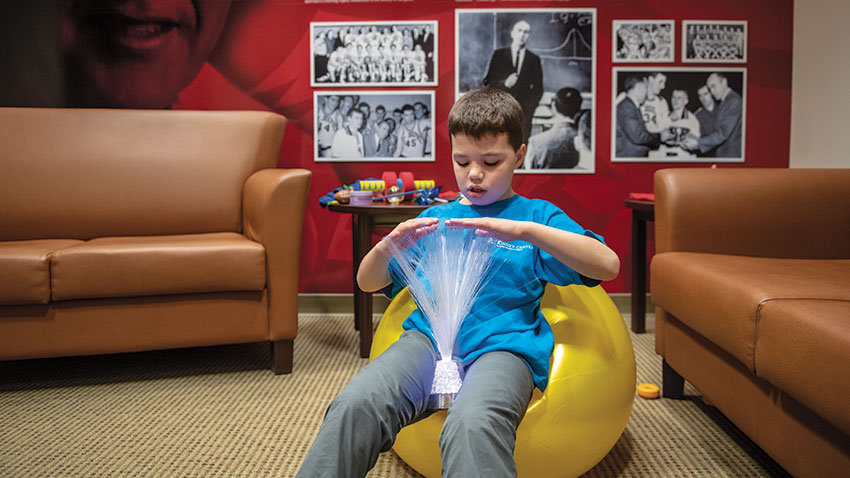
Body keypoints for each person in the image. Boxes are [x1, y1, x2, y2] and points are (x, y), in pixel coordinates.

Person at [297, 87, 619, 477]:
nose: (474, 174)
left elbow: (607, 265)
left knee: (473, 426)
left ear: (519, 155)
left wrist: (526, 231)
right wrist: (388, 247)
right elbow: (368, 282)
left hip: (503, 350)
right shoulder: (437, 218)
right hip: (426, 343)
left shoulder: (536, 216)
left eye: (491, 161)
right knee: (355, 404)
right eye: (461, 160)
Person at [483, 20, 544, 142]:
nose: (522, 35)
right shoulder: (498, 55)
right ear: (512, 33)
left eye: (526, 32)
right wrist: (505, 84)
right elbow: (487, 82)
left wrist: (530, 108)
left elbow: (539, 89)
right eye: (519, 31)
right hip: (500, 112)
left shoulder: (534, 59)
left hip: (524, 115)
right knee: (500, 146)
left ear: (529, 36)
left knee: (521, 146)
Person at [682, 72, 742, 157]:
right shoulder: (725, 102)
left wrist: (698, 143)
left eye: (714, 86)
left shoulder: (733, 102)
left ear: (724, 82)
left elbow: (722, 133)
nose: (712, 91)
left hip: (731, 155)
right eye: (710, 89)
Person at [524, 87, 583, 169]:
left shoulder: (536, 142)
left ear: (554, 106)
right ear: (579, 110)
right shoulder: (586, 141)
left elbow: (529, 176)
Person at [616, 75, 672, 157]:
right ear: (639, 88)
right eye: (645, 89)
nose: (646, 93)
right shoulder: (627, 106)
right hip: (629, 157)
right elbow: (638, 135)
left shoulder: (632, 106)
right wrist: (660, 136)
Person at [693, 85, 717, 157]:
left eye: (705, 94)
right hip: (708, 154)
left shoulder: (723, 110)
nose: (703, 98)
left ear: (711, 93)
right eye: (700, 96)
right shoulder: (697, 116)